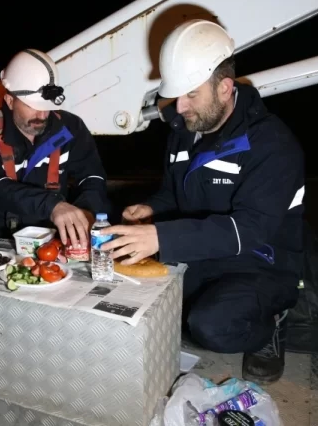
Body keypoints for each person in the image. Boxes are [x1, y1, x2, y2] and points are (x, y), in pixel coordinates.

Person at [100, 20, 305, 384]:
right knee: (137, 300)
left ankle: (270, 324)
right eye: (177, 94)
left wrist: (162, 237)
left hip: (259, 262)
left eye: (191, 94)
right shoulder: (185, 131)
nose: (179, 106)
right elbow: (173, 195)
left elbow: (251, 230)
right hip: (203, 251)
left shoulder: (272, 144)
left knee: (211, 326)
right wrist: (151, 209)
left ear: (225, 88)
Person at [0, 49, 110, 247]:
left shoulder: (71, 128)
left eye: (46, 105)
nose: (41, 115)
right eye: (32, 105)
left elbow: (92, 176)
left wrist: (88, 212)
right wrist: (52, 206)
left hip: (52, 239)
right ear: (10, 101)